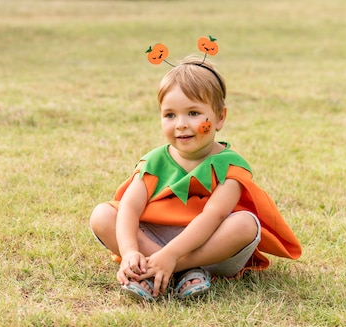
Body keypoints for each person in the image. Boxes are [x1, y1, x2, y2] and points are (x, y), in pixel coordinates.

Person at [89, 55, 302, 301]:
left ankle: (163, 269)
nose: (181, 124)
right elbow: (130, 207)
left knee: (246, 224)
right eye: (170, 115)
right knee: (102, 214)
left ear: (220, 117)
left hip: (210, 251)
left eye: (193, 112)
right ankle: (174, 270)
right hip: (155, 239)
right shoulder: (153, 161)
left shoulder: (230, 165)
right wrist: (128, 252)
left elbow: (214, 216)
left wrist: (172, 256)